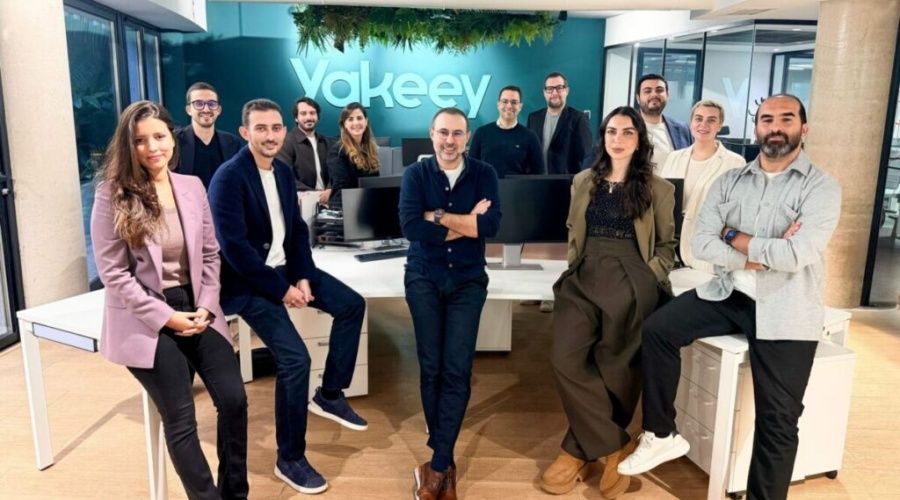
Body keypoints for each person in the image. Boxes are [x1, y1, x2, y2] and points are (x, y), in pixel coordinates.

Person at [617, 95, 842, 500]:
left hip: (786, 309)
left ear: (803, 128)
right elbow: (702, 241)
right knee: (657, 330)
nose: (775, 127)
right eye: (766, 119)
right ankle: (661, 433)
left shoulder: (821, 187)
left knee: (778, 420)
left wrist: (734, 236)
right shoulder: (732, 180)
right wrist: (755, 251)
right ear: (757, 127)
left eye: (786, 119)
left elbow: (797, 255)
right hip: (729, 291)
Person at [208, 98, 368, 495]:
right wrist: (282, 290)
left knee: (352, 305)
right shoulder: (228, 178)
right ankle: (290, 458)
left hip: (285, 271)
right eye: (260, 128)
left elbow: (296, 230)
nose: (270, 135)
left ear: (284, 130)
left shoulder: (281, 171)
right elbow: (235, 250)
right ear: (245, 132)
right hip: (248, 283)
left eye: (276, 128)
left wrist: (303, 276)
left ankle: (329, 394)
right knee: (296, 359)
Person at [91, 101, 248, 499]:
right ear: (128, 146)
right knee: (180, 416)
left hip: (198, 305)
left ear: (172, 139)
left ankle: (235, 493)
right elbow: (114, 274)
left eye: (159, 136)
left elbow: (210, 253)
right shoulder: (111, 194)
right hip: (145, 315)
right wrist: (166, 318)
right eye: (140, 140)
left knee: (234, 400)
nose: (152, 147)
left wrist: (207, 305)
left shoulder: (192, 186)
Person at [541, 106, 676, 499]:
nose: (618, 139)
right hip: (585, 273)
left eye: (627, 132)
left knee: (616, 367)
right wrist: (574, 264)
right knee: (565, 358)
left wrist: (649, 276)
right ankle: (614, 446)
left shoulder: (659, 189)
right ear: (602, 137)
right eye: (611, 131)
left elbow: (667, 246)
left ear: (639, 140)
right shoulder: (583, 181)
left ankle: (576, 450)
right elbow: (574, 232)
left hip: (633, 274)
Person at [399, 107, 502, 500]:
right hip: (423, 277)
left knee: (457, 370)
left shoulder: (484, 174)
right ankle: (443, 457)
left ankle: (440, 464)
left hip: (468, 281)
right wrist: (464, 221)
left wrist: (437, 216)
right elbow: (411, 227)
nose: (449, 140)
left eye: (457, 133)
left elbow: (490, 226)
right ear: (432, 134)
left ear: (467, 137)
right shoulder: (416, 174)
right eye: (443, 132)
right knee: (432, 368)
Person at [659, 99, 746, 273]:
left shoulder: (735, 163)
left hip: (707, 250)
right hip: (671, 248)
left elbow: (737, 214)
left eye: (711, 120)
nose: (703, 124)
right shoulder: (674, 157)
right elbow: (662, 201)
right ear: (691, 122)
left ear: (719, 125)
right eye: (698, 118)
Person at [469, 85, 544, 178]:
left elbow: (539, 173)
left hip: (518, 187)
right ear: (498, 104)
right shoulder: (481, 133)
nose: (509, 106)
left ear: (520, 106)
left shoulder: (530, 136)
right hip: (486, 187)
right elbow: (471, 168)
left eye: (514, 102)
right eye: (505, 101)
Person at [175, 81, 241, 187]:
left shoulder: (232, 143)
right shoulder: (175, 142)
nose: (206, 109)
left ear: (219, 110)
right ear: (188, 110)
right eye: (199, 104)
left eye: (212, 104)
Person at [527, 72, 592, 174]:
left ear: (567, 91)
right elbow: (528, 152)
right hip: (537, 180)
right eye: (550, 89)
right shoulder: (533, 118)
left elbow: (586, 157)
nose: (554, 93)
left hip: (566, 181)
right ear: (544, 92)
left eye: (559, 88)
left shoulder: (579, 119)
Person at [277, 96, 333, 205]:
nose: (308, 117)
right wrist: (314, 195)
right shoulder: (286, 142)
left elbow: (335, 172)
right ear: (296, 118)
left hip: (329, 200)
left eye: (312, 113)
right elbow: (285, 176)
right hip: (301, 200)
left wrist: (330, 189)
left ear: (318, 117)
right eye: (303, 113)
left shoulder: (326, 142)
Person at [327, 102, 380, 210]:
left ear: (366, 121)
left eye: (359, 118)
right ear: (344, 124)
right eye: (350, 119)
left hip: (366, 205)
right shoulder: (337, 151)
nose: (356, 123)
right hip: (344, 208)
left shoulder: (370, 150)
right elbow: (342, 187)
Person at [634, 74, 692, 169]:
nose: (654, 95)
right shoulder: (627, 128)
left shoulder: (683, 129)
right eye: (647, 91)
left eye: (659, 90)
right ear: (638, 98)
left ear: (667, 95)